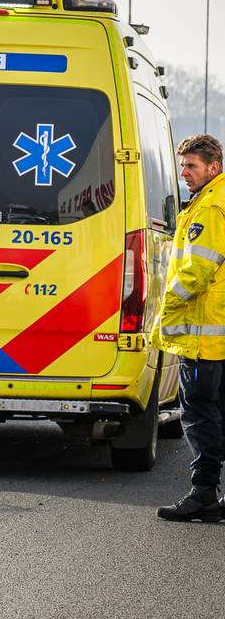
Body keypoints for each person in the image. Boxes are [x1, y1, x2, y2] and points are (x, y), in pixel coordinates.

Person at [156, 133, 225, 522]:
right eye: (182, 165)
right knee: (216, 414)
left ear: (212, 167)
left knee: (199, 415)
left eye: (191, 166)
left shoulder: (210, 208)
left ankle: (203, 494)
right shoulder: (212, 201)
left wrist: (167, 303)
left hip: (202, 334)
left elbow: (198, 269)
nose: (184, 172)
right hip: (215, 331)